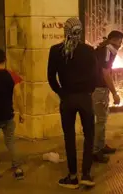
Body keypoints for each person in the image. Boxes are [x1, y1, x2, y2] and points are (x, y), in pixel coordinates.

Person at [47, 17, 97, 189]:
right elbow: (96, 76)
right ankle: (87, 175)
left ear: (65, 31)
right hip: (85, 98)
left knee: (69, 137)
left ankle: (72, 176)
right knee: (89, 135)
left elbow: (51, 77)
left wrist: (61, 93)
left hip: (67, 98)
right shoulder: (89, 50)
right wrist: (88, 91)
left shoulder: (55, 51)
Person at [0, 48, 25, 181]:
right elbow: (18, 95)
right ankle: (18, 169)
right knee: (11, 142)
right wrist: (22, 113)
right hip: (7, 114)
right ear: (5, 59)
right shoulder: (12, 75)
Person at [92, 30, 123, 163]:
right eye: (119, 41)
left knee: (102, 119)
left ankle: (101, 145)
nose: (120, 45)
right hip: (99, 89)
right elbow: (105, 73)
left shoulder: (106, 50)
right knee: (100, 120)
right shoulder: (106, 50)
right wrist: (115, 93)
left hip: (100, 89)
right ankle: (95, 151)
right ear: (113, 40)